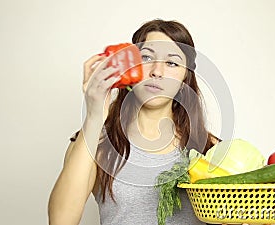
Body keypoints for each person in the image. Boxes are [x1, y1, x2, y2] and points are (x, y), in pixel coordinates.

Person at [48, 19, 233, 225]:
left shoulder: (210, 148)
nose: (157, 71)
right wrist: (94, 115)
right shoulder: (96, 143)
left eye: (172, 63)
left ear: (184, 79)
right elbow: (60, 221)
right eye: (146, 57)